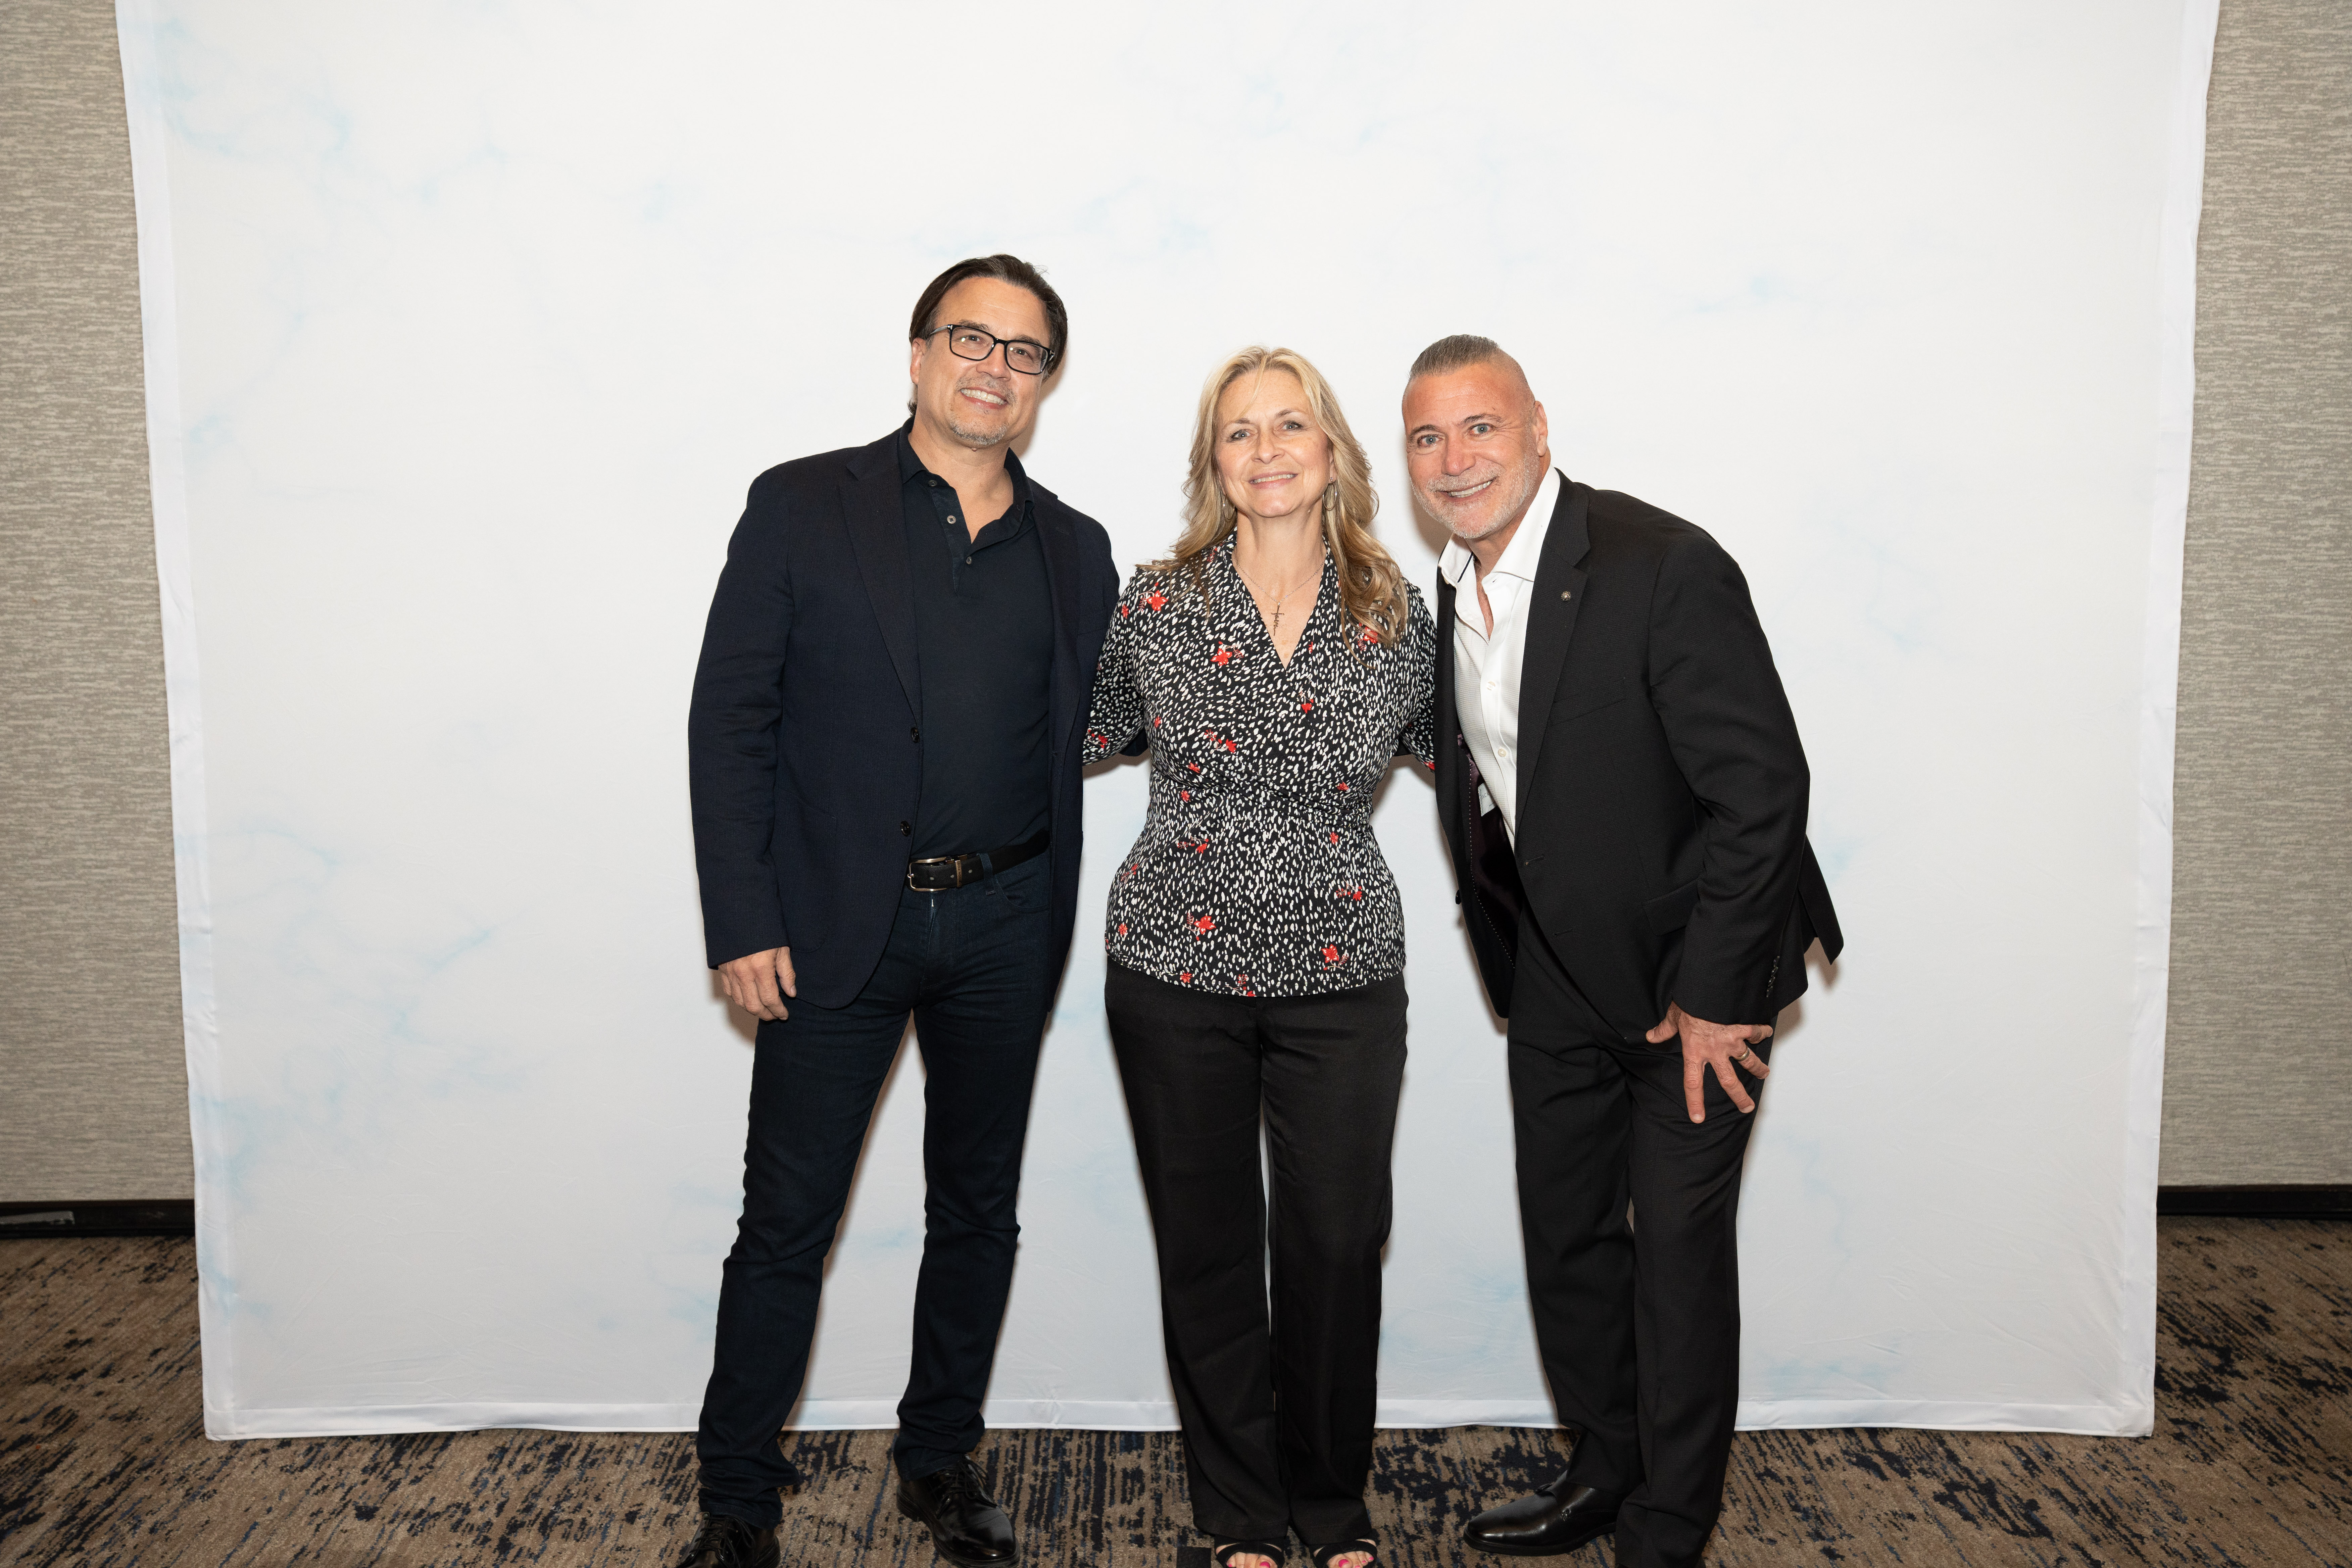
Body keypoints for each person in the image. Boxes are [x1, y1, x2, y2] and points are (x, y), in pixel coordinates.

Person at [677, 255, 1120, 1568]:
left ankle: (939, 1462)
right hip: (829, 929)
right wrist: (740, 916)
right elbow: (730, 719)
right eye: (971, 339)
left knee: (977, 1212)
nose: (995, 368)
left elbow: (1120, 718)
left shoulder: (1078, 550)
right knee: (785, 1226)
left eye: (1024, 352)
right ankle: (738, 1503)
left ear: (1045, 383)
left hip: (1007, 926)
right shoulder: (804, 503)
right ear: (919, 354)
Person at [1406, 336, 1842, 1568]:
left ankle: (1667, 1528)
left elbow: (1763, 790)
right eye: (1429, 437)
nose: (1456, 459)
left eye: (1481, 427)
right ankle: (1606, 1471)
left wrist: (1714, 995)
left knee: (1678, 1262)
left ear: (1539, 428)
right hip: (1554, 976)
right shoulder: (1452, 588)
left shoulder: (1661, 562)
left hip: (1696, 979)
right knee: (1569, 1242)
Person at [1082, 347, 1436, 1568]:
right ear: (1214, 464)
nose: (1268, 450)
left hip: (1345, 972)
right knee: (1209, 1246)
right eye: (1240, 432)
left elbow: (1485, 760)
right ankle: (1239, 1510)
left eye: (1291, 425)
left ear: (1332, 451)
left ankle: (1330, 1504)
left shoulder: (1397, 609)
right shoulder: (1156, 603)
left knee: (1336, 1243)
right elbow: (1073, 734)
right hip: (1172, 965)